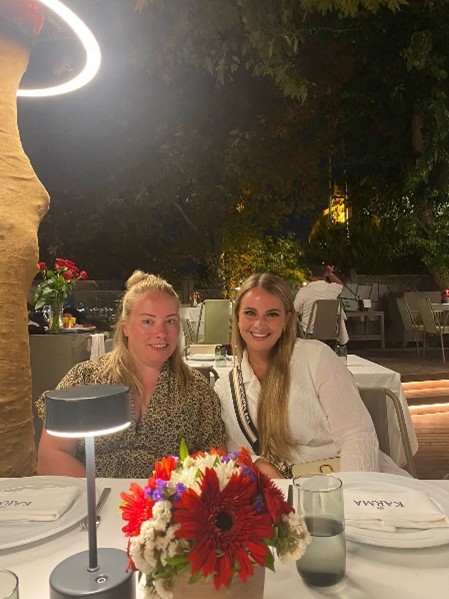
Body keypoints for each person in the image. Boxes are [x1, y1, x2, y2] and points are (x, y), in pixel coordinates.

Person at [36, 271, 226, 478]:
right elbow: (50, 457)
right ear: (125, 327)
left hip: (165, 497)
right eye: (148, 321)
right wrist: (107, 493)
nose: (161, 333)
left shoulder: (197, 390)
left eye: (170, 321)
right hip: (91, 495)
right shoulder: (84, 379)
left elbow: (216, 463)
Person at [215, 272, 403, 479]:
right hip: (279, 490)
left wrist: (353, 492)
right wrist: (260, 465)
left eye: (272, 314)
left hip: (343, 480)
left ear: (287, 319)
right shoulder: (225, 388)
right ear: (237, 317)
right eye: (250, 313)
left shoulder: (317, 358)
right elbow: (235, 454)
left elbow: (357, 436)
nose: (260, 324)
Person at [294, 263, 348, 345]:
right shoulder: (332, 289)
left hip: (309, 334)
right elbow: (340, 284)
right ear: (325, 275)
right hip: (329, 333)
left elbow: (295, 311)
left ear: (311, 276)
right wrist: (330, 274)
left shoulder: (304, 291)